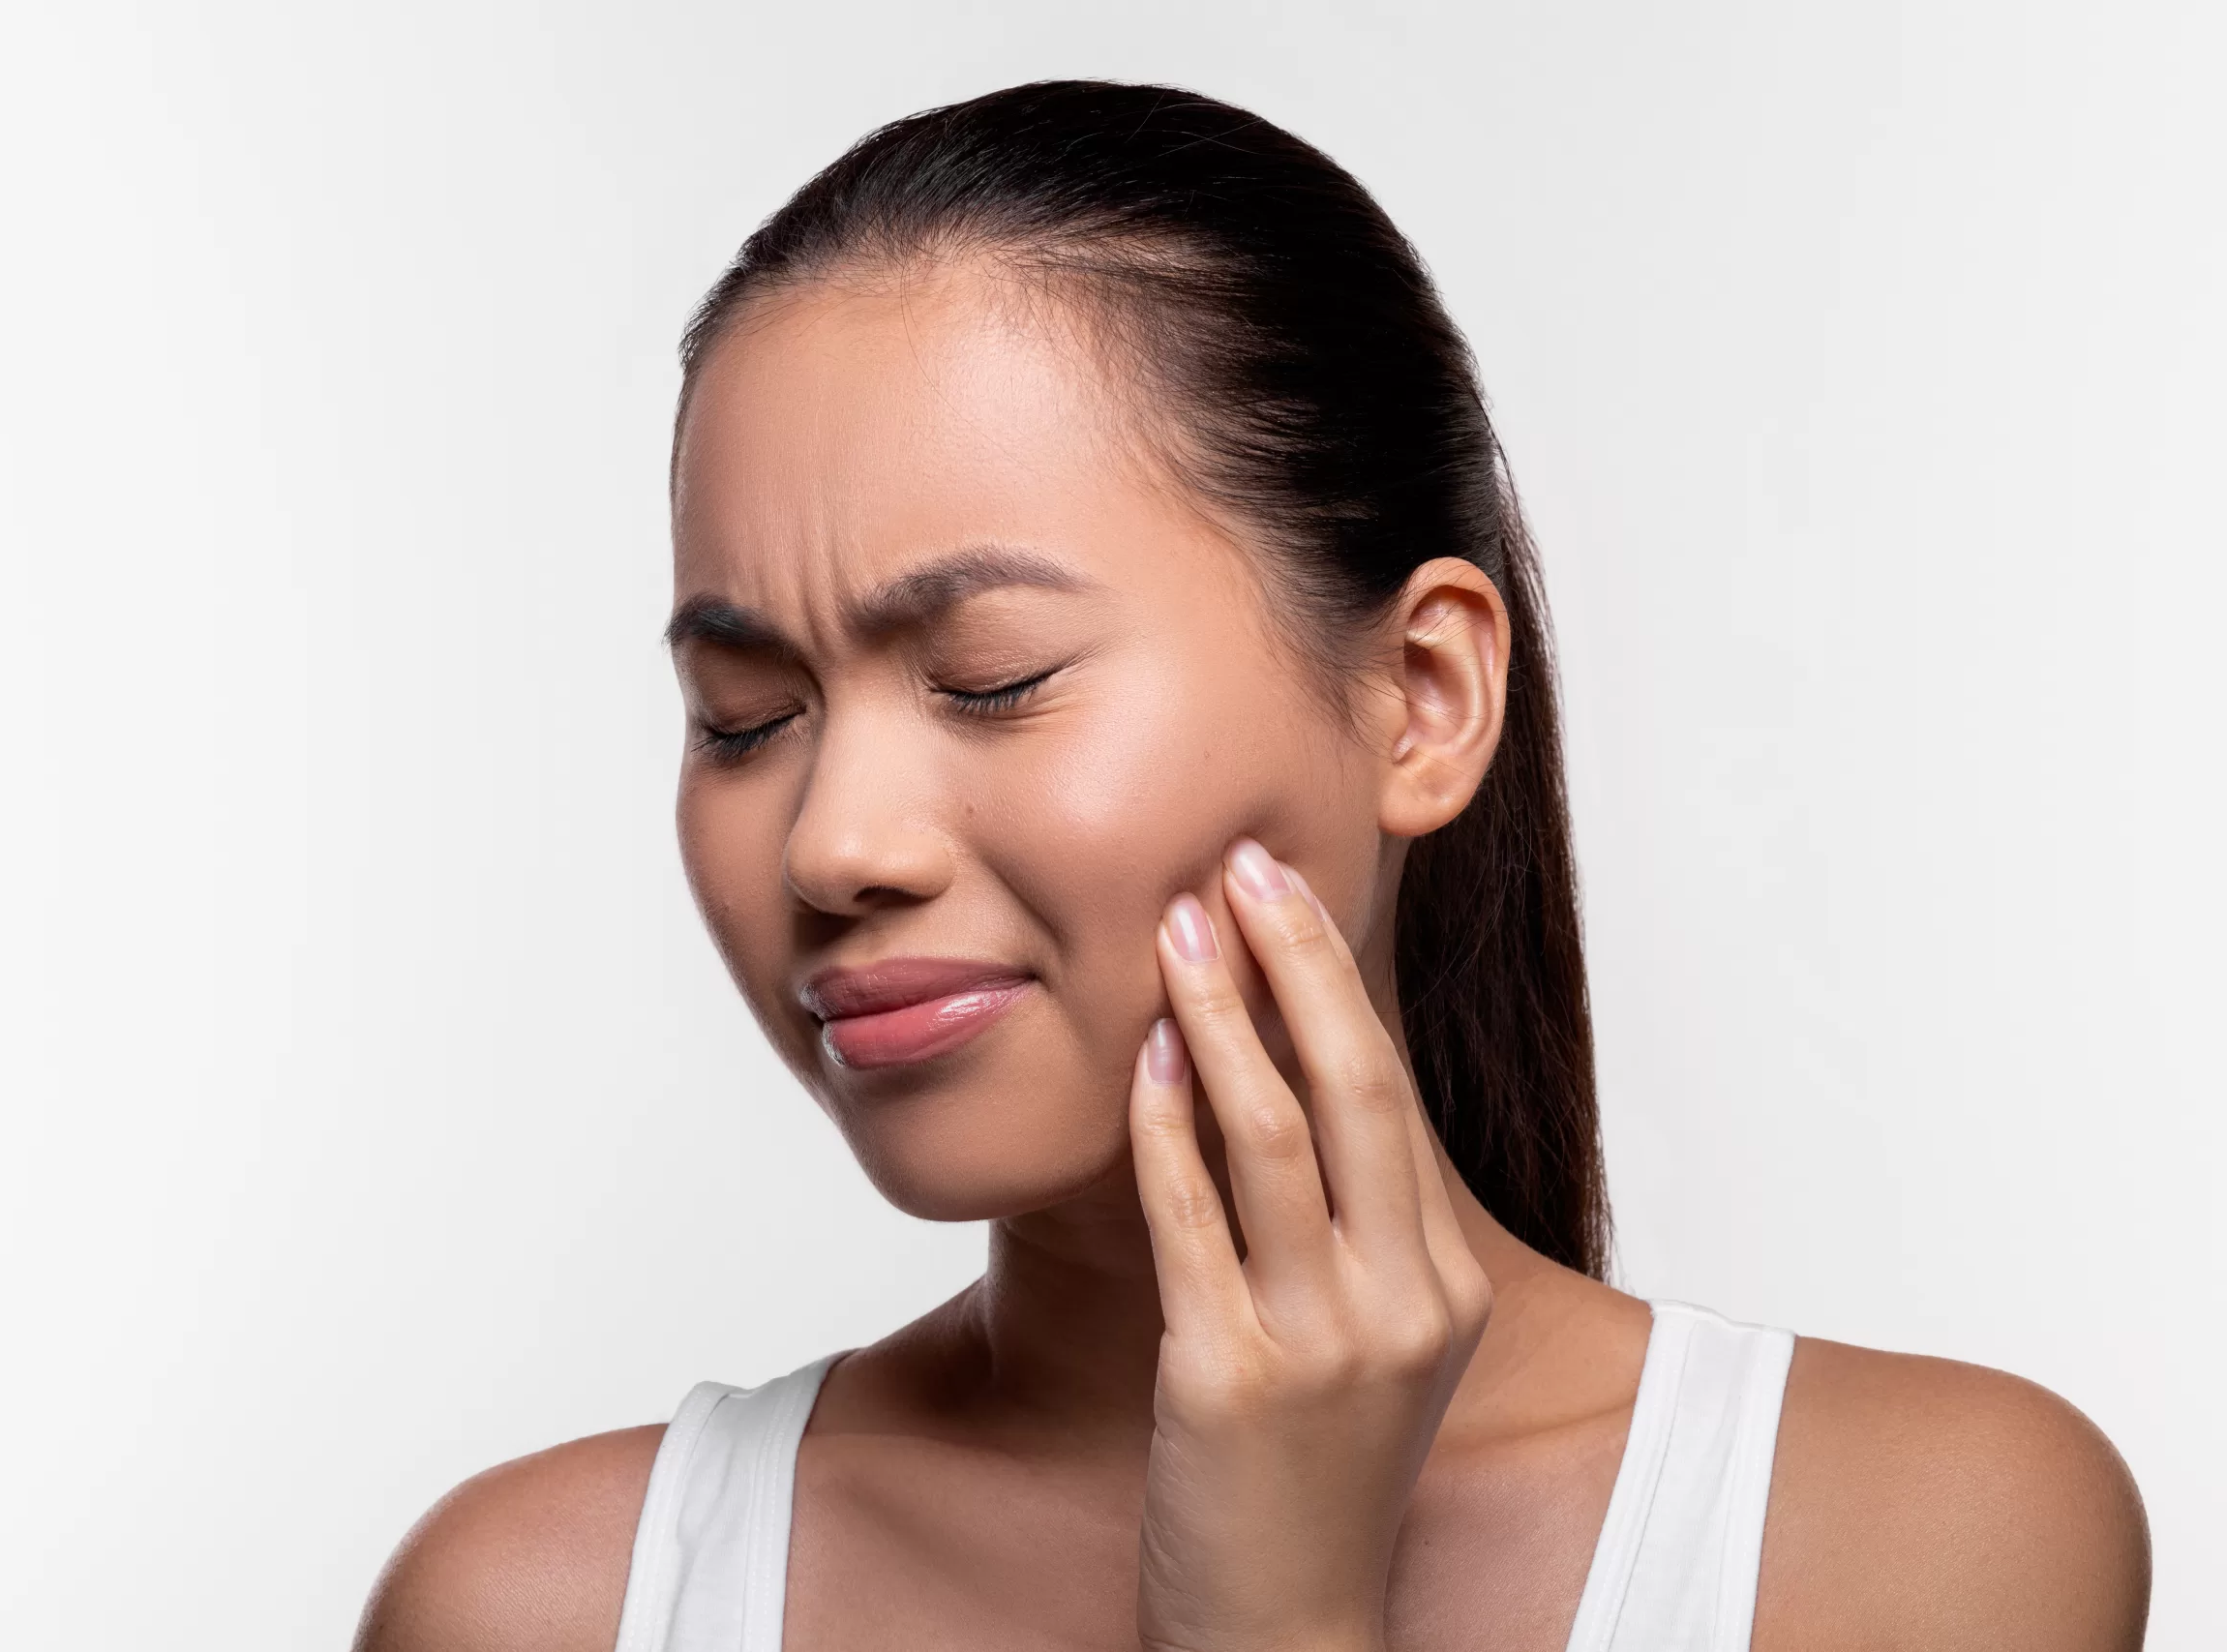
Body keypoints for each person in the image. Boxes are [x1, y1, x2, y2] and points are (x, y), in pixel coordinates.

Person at [353, 80, 2150, 1652]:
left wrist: (1278, 1619)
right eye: (745, 716)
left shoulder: (1920, 1539)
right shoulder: (545, 1603)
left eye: (993, 679)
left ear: (1423, 698)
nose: (831, 844)